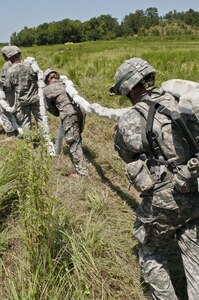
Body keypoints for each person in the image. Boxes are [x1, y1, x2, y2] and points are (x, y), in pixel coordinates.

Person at [110, 57, 199, 299]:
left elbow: (125, 154)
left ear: (130, 88)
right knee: (194, 255)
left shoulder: (130, 119)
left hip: (163, 201)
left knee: (150, 251)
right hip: (193, 193)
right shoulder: (184, 103)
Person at [43, 68, 88, 176]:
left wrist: (59, 113)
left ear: (47, 80)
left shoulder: (48, 90)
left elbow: (50, 108)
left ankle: (82, 172)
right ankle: (82, 158)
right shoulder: (67, 84)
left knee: (74, 143)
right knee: (77, 137)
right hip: (81, 112)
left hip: (69, 115)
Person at [3, 45, 42, 131]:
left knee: (26, 123)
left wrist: (12, 105)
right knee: (40, 120)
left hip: (22, 101)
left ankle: (29, 143)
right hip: (35, 98)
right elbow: (37, 80)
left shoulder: (10, 71)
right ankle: (46, 141)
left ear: (10, 56)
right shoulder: (29, 66)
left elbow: (8, 90)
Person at [0, 46, 18, 138]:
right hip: (19, 91)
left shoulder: (7, 65)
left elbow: (4, 80)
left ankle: (10, 133)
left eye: (3, 55)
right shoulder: (19, 63)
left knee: (4, 111)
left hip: (9, 92)